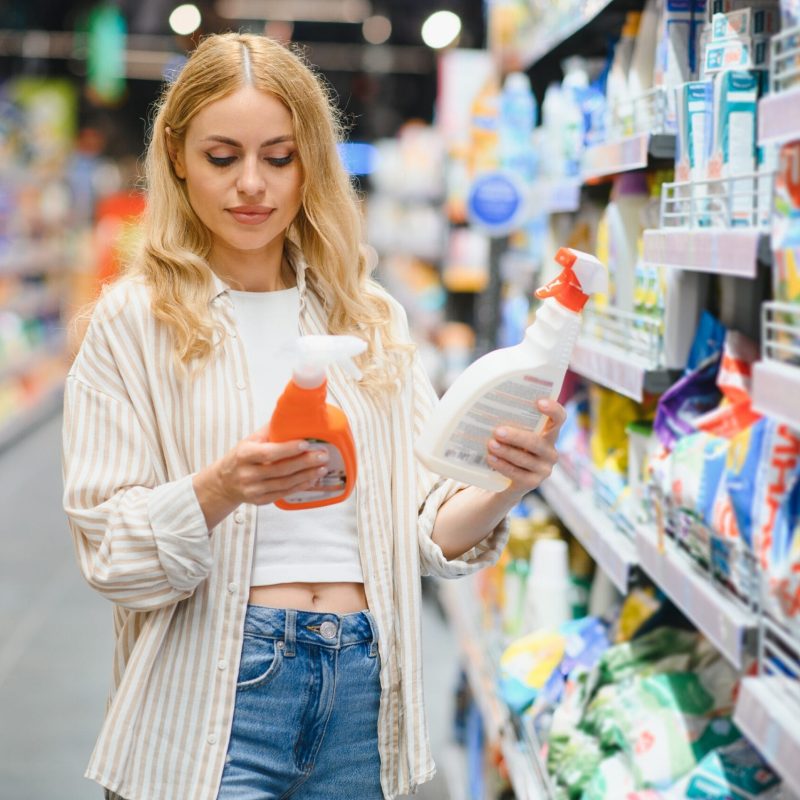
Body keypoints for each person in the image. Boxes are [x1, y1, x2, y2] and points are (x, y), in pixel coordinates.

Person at [62, 32, 565, 800]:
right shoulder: (135, 322)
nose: (252, 186)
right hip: (216, 693)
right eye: (223, 158)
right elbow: (111, 550)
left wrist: (503, 484)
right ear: (175, 155)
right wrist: (222, 486)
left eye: (280, 156)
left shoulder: (369, 319)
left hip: (364, 689)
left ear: (313, 163)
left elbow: (426, 528)